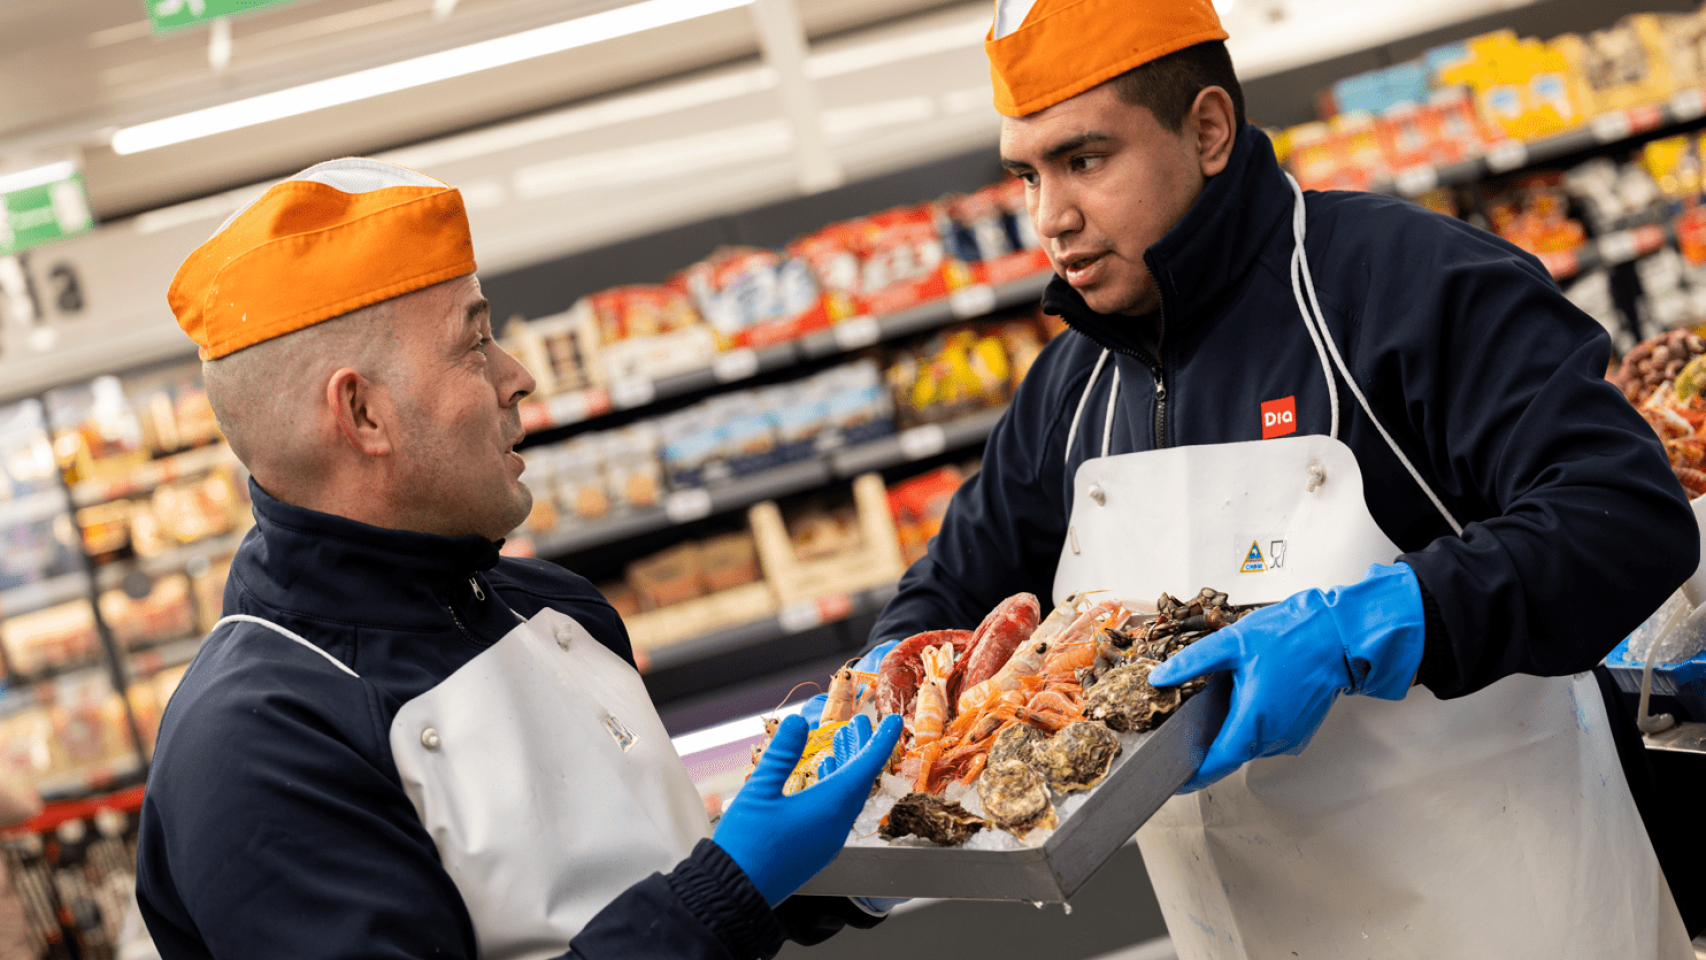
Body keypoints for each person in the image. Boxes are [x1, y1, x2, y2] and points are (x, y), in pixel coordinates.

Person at [848, 0, 1700, 956]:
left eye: (1086, 159)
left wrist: (1368, 624)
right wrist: (854, 762)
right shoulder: (1069, 394)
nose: (1051, 218)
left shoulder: (1404, 285)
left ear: (1208, 130)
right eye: (1027, 174)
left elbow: (1624, 517)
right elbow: (947, 600)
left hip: (1520, 919)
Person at [132, 157, 902, 960]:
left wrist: (839, 856)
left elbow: (639, 889)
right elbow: (691, 911)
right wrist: (732, 883)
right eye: (475, 344)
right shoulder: (254, 747)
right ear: (362, 412)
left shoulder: (553, 606)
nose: (519, 377)